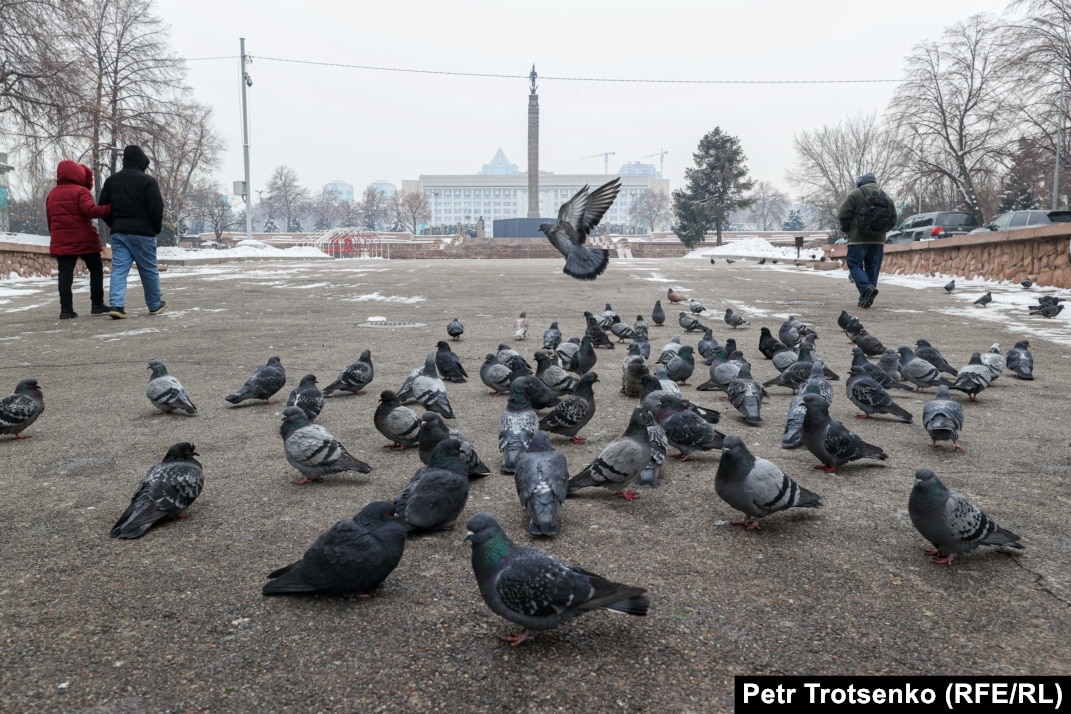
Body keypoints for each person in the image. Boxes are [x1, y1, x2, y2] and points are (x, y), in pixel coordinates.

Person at [98, 145, 166, 319]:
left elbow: (103, 208)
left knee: (119, 270)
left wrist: (115, 223)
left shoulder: (112, 181)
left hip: (119, 233)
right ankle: (154, 304)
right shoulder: (148, 181)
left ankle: (117, 305)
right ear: (141, 161)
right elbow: (156, 208)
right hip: (143, 233)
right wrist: (155, 228)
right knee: (148, 269)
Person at [45, 160, 112, 319]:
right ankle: (97, 304)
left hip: (62, 239)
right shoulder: (81, 191)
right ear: (77, 174)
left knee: (65, 274)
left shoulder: (52, 194)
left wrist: (56, 236)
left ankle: (66, 310)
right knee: (96, 269)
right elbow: (90, 211)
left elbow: (50, 220)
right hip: (84, 238)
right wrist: (110, 208)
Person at [838, 172, 897, 309]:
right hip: (878, 241)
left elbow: (842, 213)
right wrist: (881, 231)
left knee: (854, 264)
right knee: (872, 267)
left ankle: (866, 288)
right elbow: (894, 219)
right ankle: (865, 297)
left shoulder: (855, 194)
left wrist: (847, 229)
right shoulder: (886, 197)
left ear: (861, 182)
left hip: (858, 239)